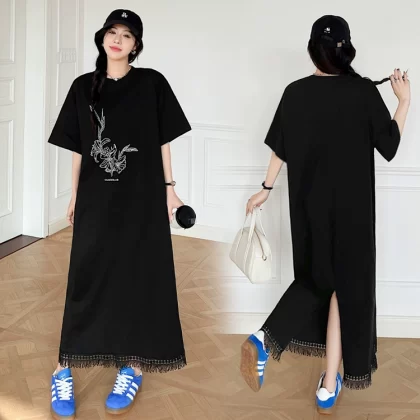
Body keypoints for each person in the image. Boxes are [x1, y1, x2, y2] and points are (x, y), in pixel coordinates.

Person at [240, 15, 410, 414]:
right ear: (346, 49)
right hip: (353, 213)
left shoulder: (294, 92)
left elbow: (280, 148)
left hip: (308, 209)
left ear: (312, 50)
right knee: (347, 290)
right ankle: (324, 379)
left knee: (319, 282)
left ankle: (279, 349)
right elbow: (389, 147)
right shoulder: (363, 92)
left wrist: (266, 188)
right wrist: (403, 101)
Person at [47, 9, 191, 419]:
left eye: (127, 35)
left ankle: (133, 365)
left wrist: (169, 189)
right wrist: (75, 195)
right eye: (112, 32)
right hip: (97, 198)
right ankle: (63, 366)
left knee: (137, 276)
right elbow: (79, 147)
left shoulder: (152, 83)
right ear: (102, 38)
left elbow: (163, 141)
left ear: (136, 45)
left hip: (143, 199)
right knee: (86, 277)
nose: (117, 40)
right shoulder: (83, 87)